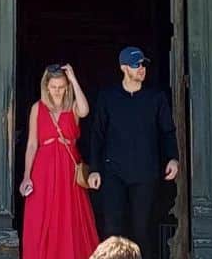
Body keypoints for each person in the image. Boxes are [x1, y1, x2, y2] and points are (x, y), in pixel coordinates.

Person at [87, 47, 178, 259]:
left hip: (145, 172)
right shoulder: (108, 97)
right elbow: (97, 135)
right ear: (123, 68)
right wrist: (94, 169)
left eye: (143, 64)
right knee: (112, 229)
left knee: (143, 229)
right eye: (136, 65)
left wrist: (173, 158)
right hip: (113, 173)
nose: (141, 69)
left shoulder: (156, 98)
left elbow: (167, 131)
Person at [20, 63, 100, 259]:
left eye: (61, 87)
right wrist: (26, 176)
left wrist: (73, 79)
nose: (57, 91)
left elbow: (85, 110)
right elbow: (32, 144)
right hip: (43, 171)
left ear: (67, 87)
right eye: (53, 87)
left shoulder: (73, 107)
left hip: (67, 171)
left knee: (68, 219)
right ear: (46, 87)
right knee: (41, 219)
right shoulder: (37, 108)